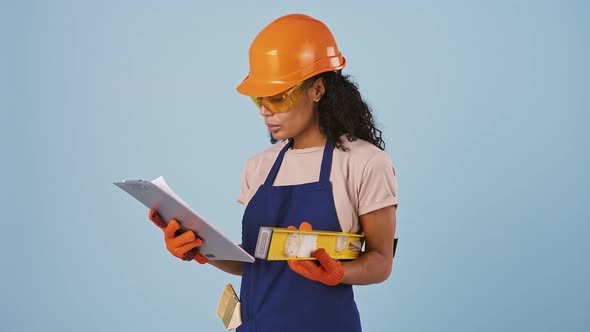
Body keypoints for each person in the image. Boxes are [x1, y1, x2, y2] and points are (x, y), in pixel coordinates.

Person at [149, 13, 398, 332]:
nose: (266, 110)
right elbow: (256, 265)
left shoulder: (364, 162)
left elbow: (381, 260)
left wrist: (338, 273)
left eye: (278, 97)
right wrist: (199, 248)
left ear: (317, 89)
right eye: (260, 99)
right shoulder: (259, 166)